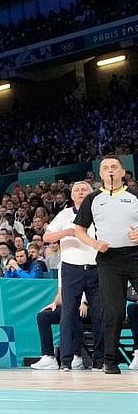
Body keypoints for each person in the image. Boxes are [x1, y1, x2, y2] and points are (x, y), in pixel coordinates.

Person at [73, 155, 138, 374]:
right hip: (109, 260)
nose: (110, 170)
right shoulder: (93, 199)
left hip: (136, 256)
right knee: (113, 311)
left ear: (122, 172)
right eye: (105, 168)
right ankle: (110, 361)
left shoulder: (135, 195)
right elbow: (79, 230)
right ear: (100, 174)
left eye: (114, 167)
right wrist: (93, 243)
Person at [44, 180, 103, 370]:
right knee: (68, 315)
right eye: (76, 190)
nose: (80, 192)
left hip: (96, 268)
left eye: (84, 189)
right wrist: (68, 231)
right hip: (71, 270)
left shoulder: (100, 214)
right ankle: (66, 361)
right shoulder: (65, 214)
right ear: (71, 195)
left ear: (92, 193)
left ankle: (100, 360)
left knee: (100, 314)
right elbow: (47, 237)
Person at [32, 289, 87, 370]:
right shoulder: (62, 275)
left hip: (88, 306)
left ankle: (76, 356)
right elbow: (61, 293)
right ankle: (49, 357)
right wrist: (55, 303)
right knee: (43, 317)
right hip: (69, 307)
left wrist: (85, 302)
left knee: (74, 314)